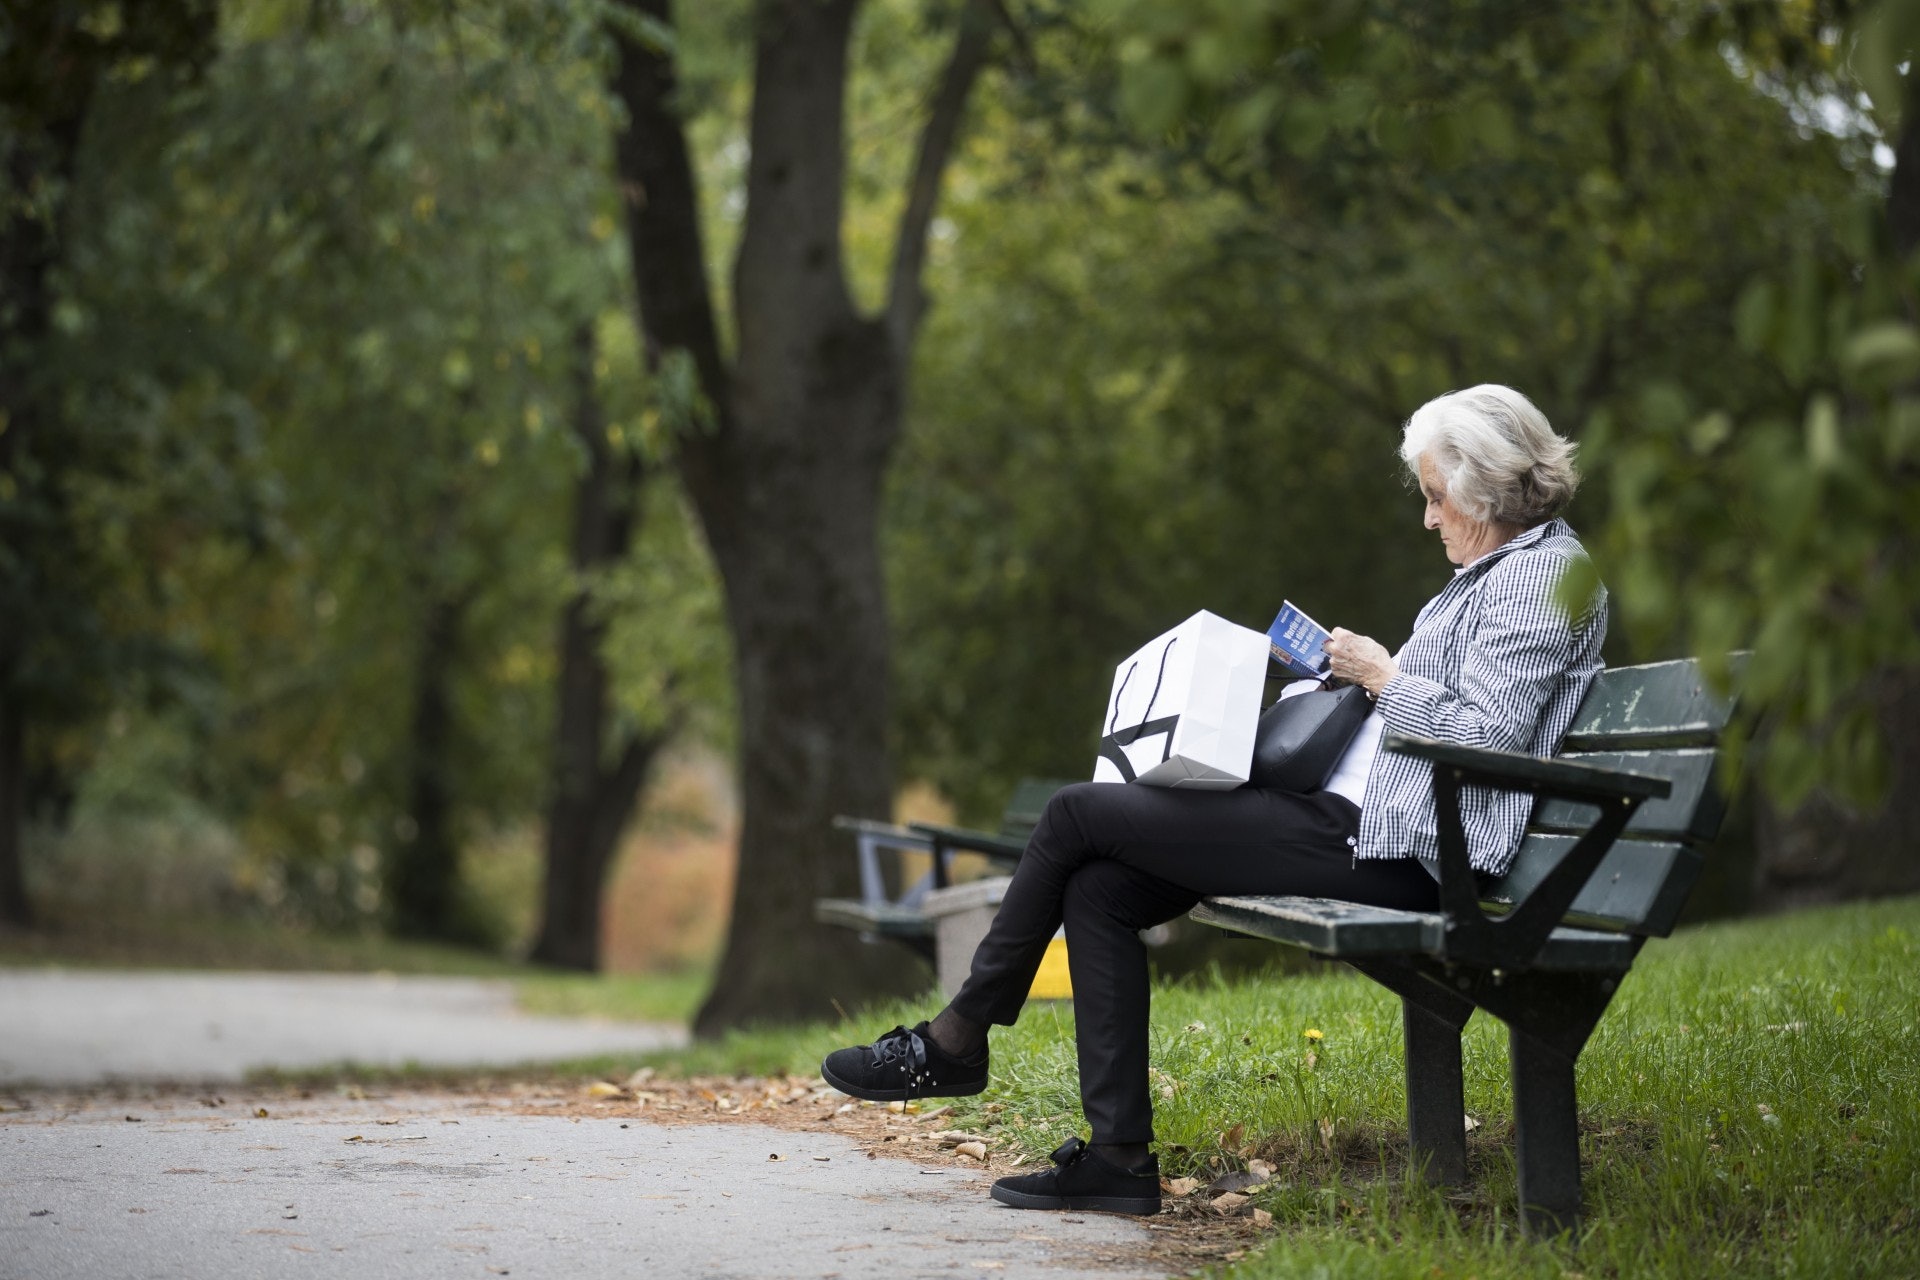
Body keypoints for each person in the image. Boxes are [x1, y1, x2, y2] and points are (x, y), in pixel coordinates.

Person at [820, 384, 1607, 1216]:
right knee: (1099, 887)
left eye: (1435, 497)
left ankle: (956, 1039)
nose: (1428, 517)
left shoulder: (1546, 577)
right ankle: (1119, 1160)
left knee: (1075, 815)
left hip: (1407, 847)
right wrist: (1352, 678)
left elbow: (1488, 740)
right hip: (1359, 822)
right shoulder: (1493, 573)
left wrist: (1382, 674)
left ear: (1485, 490)